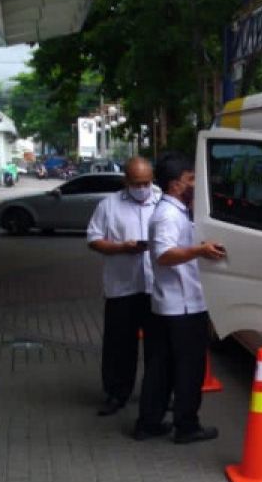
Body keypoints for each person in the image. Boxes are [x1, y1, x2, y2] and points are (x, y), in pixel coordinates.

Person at [133, 151, 226, 443]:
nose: (195, 185)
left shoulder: (176, 212)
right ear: (175, 185)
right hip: (181, 308)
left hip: (169, 305)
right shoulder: (168, 215)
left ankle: (149, 423)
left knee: (161, 368)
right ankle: (186, 426)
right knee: (189, 369)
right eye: (191, 180)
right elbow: (163, 254)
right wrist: (200, 251)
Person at [86, 156, 161, 417]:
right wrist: (121, 247)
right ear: (126, 181)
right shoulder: (109, 206)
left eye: (147, 182)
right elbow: (94, 239)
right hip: (122, 288)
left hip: (156, 288)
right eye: (137, 183)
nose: (143, 188)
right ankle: (116, 394)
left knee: (158, 346)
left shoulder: (162, 202)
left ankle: (158, 395)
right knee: (119, 345)